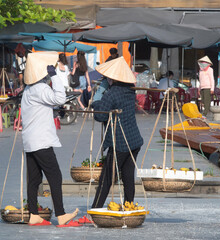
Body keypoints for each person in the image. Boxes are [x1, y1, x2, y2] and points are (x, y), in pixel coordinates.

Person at [21, 52, 79, 226]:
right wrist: (55, 77)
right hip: (41, 141)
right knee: (55, 176)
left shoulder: (28, 90)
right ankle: (61, 214)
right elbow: (60, 98)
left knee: (34, 179)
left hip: (30, 140)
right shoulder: (41, 89)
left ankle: (33, 214)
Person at [91, 56, 144, 208]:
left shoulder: (112, 93)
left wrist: (99, 95)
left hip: (120, 142)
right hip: (133, 140)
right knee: (128, 177)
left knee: (106, 178)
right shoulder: (129, 91)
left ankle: (95, 209)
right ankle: (129, 205)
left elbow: (100, 115)